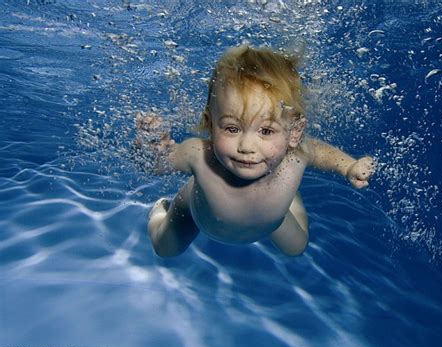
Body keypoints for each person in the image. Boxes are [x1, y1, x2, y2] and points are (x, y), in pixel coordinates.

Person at [135, 45, 375, 257]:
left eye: (266, 131)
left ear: (294, 132)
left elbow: (321, 153)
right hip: (196, 209)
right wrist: (154, 146)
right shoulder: (198, 154)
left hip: (272, 220)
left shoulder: (296, 156)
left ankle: (289, 198)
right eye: (232, 128)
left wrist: (348, 166)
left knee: (297, 247)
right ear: (209, 123)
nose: (246, 147)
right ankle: (159, 210)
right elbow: (160, 165)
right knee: (164, 249)